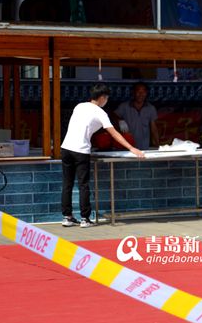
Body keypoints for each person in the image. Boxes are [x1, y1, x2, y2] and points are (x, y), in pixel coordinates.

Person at [61, 83, 145, 227]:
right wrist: (132, 148)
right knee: (83, 185)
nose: (106, 101)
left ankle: (67, 217)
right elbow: (114, 133)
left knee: (67, 184)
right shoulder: (100, 113)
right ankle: (85, 219)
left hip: (66, 148)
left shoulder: (79, 106)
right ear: (102, 98)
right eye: (106, 98)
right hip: (80, 150)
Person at [113, 82, 160, 150]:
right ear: (133, 92)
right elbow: (113, 115)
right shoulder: (124, 106)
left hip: (144, 147)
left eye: (143, 92)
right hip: (127, 147)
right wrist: (120, 121)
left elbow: (154, 129)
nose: (140, 94)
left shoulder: (151, 108)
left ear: (146, 93)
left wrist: (158, 145)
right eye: (138, 91)